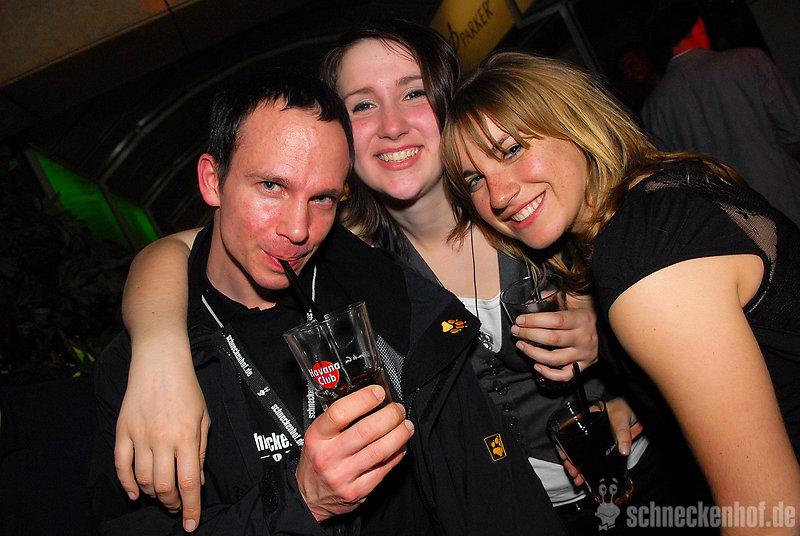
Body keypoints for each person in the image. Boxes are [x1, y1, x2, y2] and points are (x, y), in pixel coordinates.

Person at [109, 20, 646, 535]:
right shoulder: (349, 252)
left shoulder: (525, 204)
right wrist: (160, 346)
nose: (391, 125)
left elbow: (641, 266)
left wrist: (623, 367)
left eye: (413, 93)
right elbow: (182, 248)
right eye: (362, 105)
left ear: (448, 99)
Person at [440, 50, 800, 534]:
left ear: (574, 121)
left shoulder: (644, 260)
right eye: (474, 180)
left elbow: (769, 516)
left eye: (511, 150)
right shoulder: (659, 192)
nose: (499, 195)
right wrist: (642, 400)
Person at [641, 2, 800, 228]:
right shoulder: (749, 62)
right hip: (785, 200)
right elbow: (794, 130)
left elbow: (674, 180)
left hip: (728, 223)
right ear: (698, 26)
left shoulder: (654, 107)